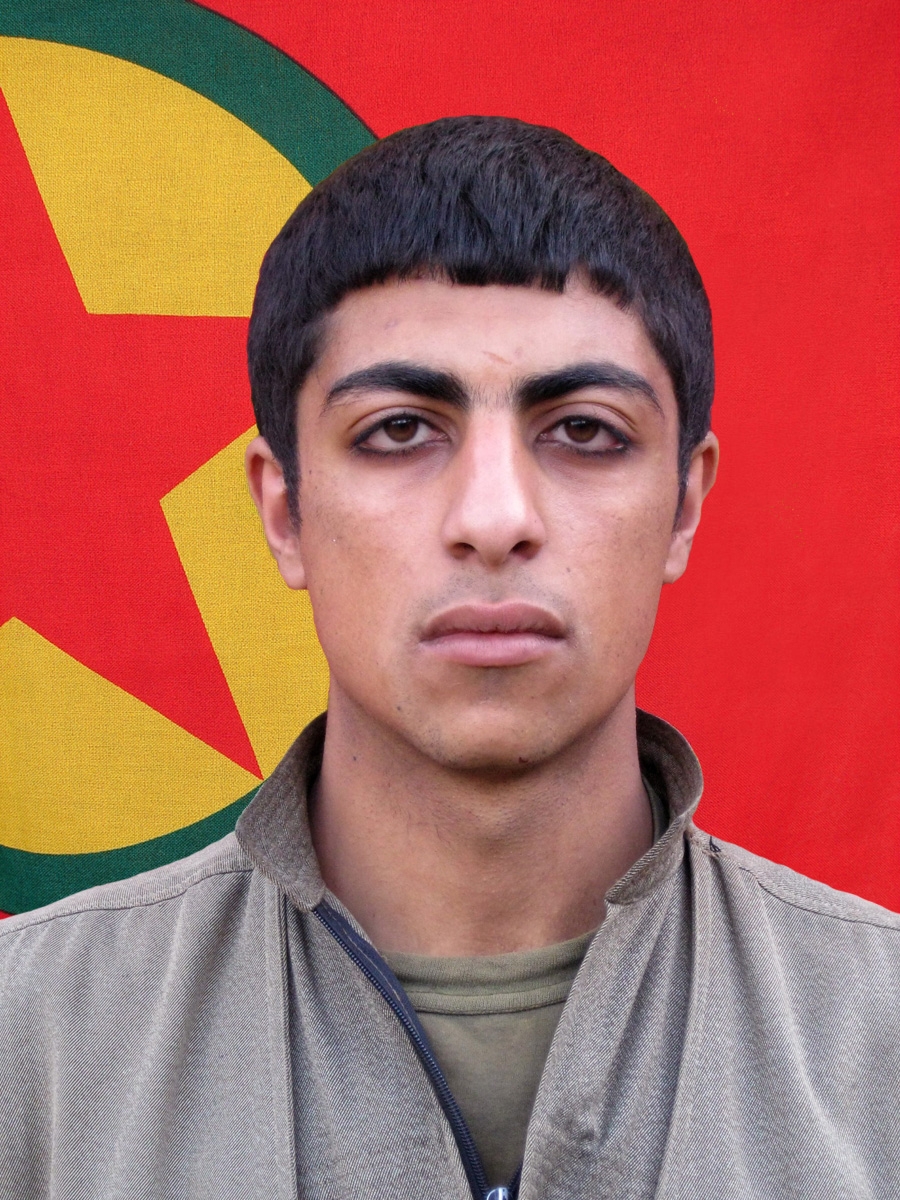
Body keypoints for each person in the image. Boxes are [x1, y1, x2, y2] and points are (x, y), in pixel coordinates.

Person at [1, 116, 898, 1200]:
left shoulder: (878, 1037)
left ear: (683, 505)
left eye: (584, 431)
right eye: (398, 429)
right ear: (284, 512)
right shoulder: (31, 1042)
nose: (494, 518)